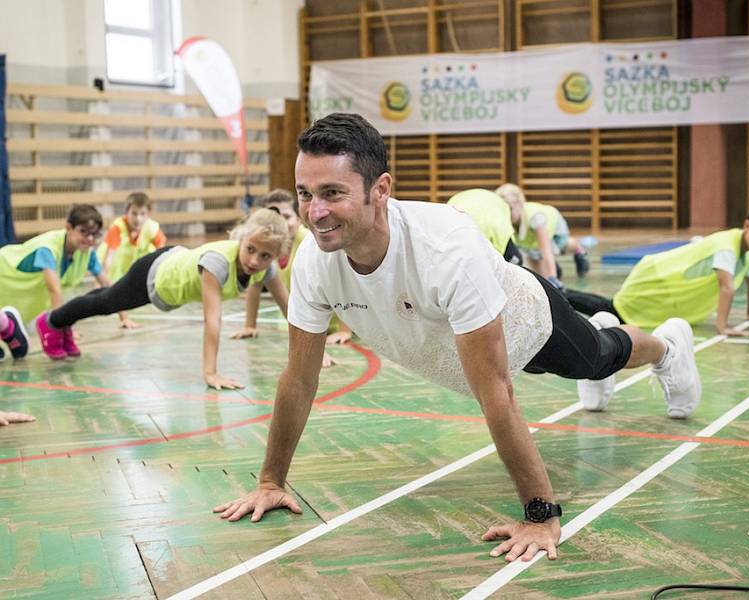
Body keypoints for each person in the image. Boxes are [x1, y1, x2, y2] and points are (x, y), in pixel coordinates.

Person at [213, 113, 701, 563]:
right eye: (304, 193)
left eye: (333, 193)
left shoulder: (443, 247)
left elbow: (496, 391)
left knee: (599, 357)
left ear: (380, 189)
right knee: (566, 361)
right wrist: (271, 481)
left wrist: (541, 515)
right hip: (464, 351)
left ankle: (668, 347)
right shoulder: (314, 263)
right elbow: (299, 379)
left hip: (526, 323)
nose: (314, 212)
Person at [35, 209, 290, 389]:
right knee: (105, 303)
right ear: (240, 238)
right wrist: (210, 373)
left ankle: (63, 320)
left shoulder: (266, 269)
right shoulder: (218, 262)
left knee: (104, 298)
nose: (255, 261)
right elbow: (213, 320)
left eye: (265, 256)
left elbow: (289, 308)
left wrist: (315, 349)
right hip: (154, 274)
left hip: (172, 261)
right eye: (250, 250)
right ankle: (52, 321)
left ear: (277, 256)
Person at [564, 200, 749, 336]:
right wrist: (722, 327)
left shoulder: (747, 255)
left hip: (667, 291)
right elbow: (726, 287)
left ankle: (559, 294)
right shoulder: (727, 248)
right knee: (616, 312)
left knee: (613, 311)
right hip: (655, 281)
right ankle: (557, 293)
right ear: (747, 225)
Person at [0, 204, 111, 360]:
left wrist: (124, 317)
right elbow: (54, 290)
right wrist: (58, 324)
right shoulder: (48, 248)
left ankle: (8, 327)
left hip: (16, 291)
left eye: (94, 234)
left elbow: (107, 286)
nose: (90, 238)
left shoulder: (87, 254)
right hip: (4, 271)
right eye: (83, 232)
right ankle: (9, 327)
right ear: (68, 227)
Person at [256, 188, 353, 350]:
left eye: (286, 217)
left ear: (299, 219)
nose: (280, 223)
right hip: (309, 326)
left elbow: (343, 279)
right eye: (274, 218)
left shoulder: (311, 243)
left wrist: (345, 330)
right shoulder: (268, 245)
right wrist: (250, 325)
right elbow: (256, 282)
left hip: (335, 327)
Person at [494, 183, 590, 288]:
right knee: (540, 276)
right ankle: (554, 268)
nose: (506, 213)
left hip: (555, 230)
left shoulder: (535, 217)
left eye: (510, 209)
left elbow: (546, 251)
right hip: (531, 242)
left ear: (519, 204)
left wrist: (553, 279)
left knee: (562, 246)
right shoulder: (504, 220)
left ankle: (579, 250)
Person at [97, 192, 167, 329]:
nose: (138, 219)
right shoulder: (117, 227)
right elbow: (109, 257)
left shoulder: (152, 228)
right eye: (134, 213)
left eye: (142, 214)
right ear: (126, 212)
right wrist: (103, 277)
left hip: (135, 259)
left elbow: (164, 253)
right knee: (108, 290)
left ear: (148, 215)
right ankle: (124, 318)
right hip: (116, 262)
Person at [446, 188, 523, 266]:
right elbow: (514, 259)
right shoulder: (501, 210)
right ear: (516, 205)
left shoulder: (488, 199)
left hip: (449, 226)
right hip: (473, 232)